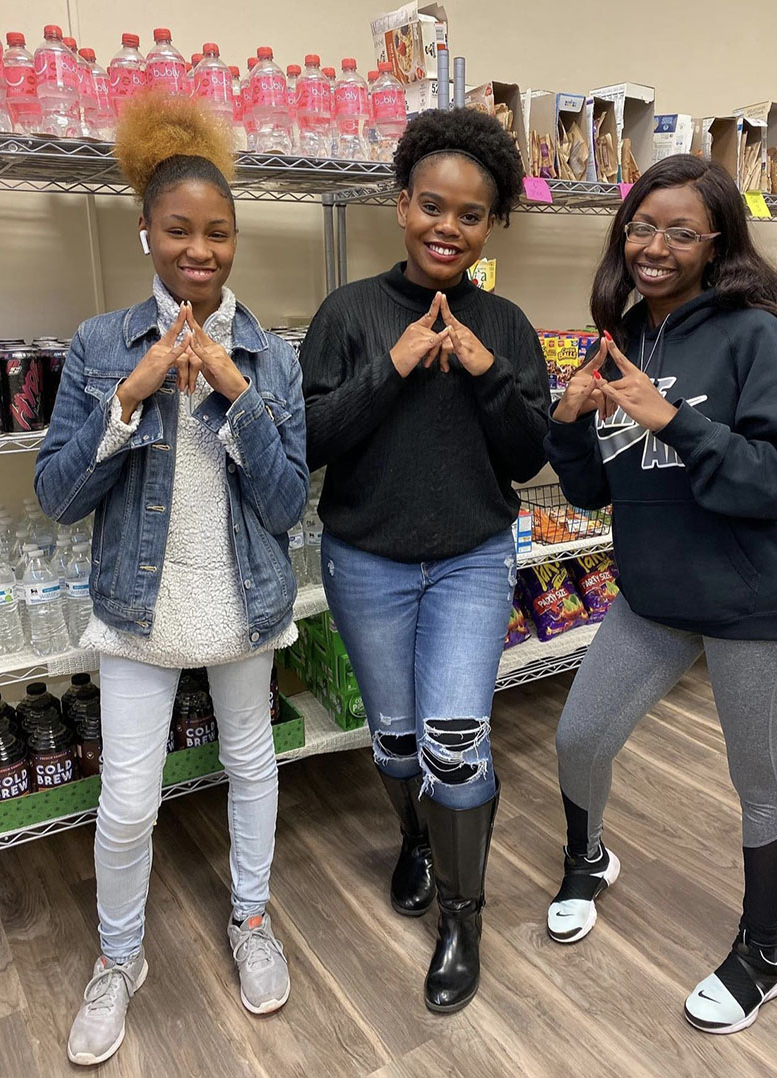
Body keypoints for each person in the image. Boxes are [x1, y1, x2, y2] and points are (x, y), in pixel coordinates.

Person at [35, 96, 308, 1066]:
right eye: (180, 229)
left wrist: (235, 398)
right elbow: (57, 494)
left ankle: (251, 919)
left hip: (243, 598)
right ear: (146, 230)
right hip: (137, 607)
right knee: (127, 800)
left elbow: (284, 508)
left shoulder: (270, 356)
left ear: (235, 238)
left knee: (250, 764)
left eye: (218, 231)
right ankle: (118, 958)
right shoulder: (102, 343)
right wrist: (131, 393)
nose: (200, 249)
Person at [544, 154, 777, 1035]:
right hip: (655, 594)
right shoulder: (623, 333)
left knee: (759, 782)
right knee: (578, 736)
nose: (654, 246)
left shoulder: (752, 333)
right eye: (641, 226)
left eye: (680, 231)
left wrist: (671, 417)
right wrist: (567, 424)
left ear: (716, 244)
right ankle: (588, 858)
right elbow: (596, 492)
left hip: (759, 601)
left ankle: (763, 951)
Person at [299, 108, 550, 1013]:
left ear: (491, 226)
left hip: (472, 561)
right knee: (397, 741)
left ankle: (462, 916)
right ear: (401, 205)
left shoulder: (508, 324)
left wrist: (485, 371)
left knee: (455, 740)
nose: (449, 227)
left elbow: (527, 458)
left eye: (471, 214)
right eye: (432, 206)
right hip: (365, 560)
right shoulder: (350, 313)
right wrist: (393, 367)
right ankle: (415, 839)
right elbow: (309, 440)